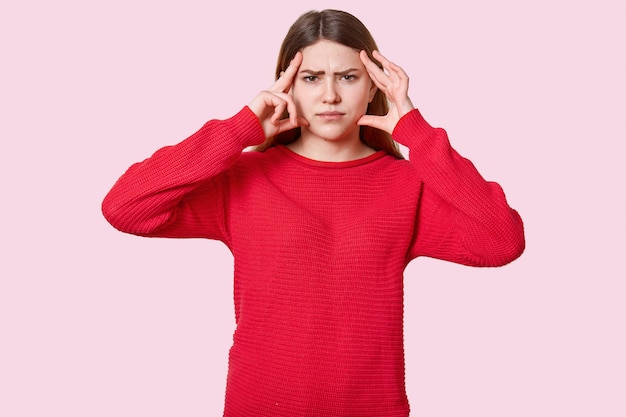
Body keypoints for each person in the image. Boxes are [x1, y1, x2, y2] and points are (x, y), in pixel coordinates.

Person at [102, 9, 525, 417]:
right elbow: (126, 208)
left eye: (347, 76)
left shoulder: (407, 185)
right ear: (288, 86)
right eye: (311, 78)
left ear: (374, 86)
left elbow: (502, 241)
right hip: (259, 407)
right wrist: (239, 128)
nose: (330, 95)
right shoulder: (245, 178)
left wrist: (416, 130)